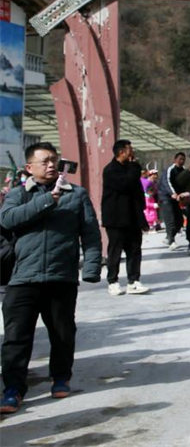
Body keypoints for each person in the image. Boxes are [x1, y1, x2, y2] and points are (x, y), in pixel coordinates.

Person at [0, 142, 102, 414]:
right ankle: (12, 389)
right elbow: (8, 220)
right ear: (29, 168)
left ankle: (60, 377)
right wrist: (47, 200)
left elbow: (90, 234)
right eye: (44, 161)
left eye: (54, 160)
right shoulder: (18, 195)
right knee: (16, 338)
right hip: (22, 278)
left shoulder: (76, 195)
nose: (51, 165)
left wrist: (91, 268)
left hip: (61, 277)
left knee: (62, 333)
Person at [102, 139, 150, 296]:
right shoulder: (111, 170)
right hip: (116, 219)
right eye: (130, 149)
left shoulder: (131, 169)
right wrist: (135, 166)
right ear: (121, 152)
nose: (132, 152)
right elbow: (125, 185)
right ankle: (113, 282)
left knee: (135, 250)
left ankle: (134, 281)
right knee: (115, 251)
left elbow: (137, 195)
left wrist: (142, 219)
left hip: (133, 217)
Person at [157, 152, 185, 250]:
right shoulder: (170, 170)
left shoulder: (183, 170)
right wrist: (172, 193)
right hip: (166, 198)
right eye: (180, 159)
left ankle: (168, 237)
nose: (182, 161)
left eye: (183, 159)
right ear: (175, 159)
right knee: (171, 220)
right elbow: (167, 182)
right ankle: (171, 241)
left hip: (176, 198)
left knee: (179, 221)